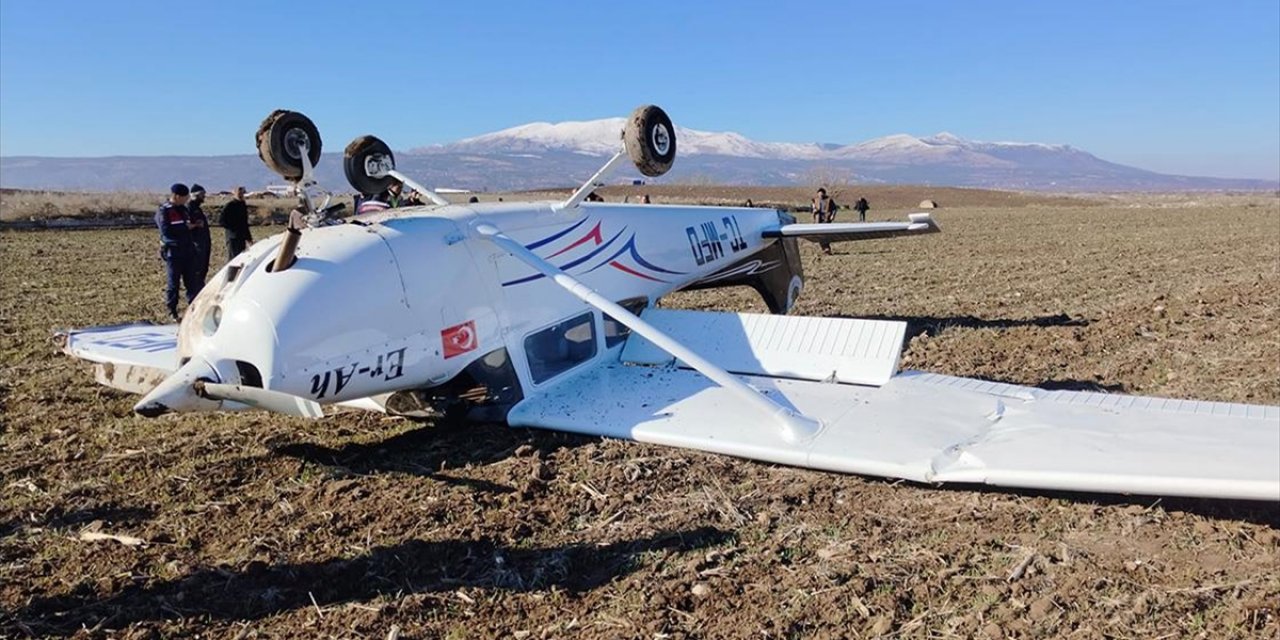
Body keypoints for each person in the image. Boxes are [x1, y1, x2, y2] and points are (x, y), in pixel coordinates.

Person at [154, 183, 201, 319]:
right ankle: (172, 311)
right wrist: (187, 228)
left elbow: (187, 226)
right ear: (176, 196)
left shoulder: (184, 210)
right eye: (185, 197)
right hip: (173, 252)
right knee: (173, 284)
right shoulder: (164, 211)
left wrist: (191, 227)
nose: (187, 200)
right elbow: (166, 231)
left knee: (192, 282)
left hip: (188, 250)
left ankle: (193, 310)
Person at [187, 183, 211, 287]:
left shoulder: (198, 208)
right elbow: (186, 225)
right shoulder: (189, 208)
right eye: (202, 194)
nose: (204, 197)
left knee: (204, 268)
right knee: (197, 269)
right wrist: (196, 225)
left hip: (204, 242)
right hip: (197, 244)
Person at [220, 186, 253, 260]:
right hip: (233, 238)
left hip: (241, 237)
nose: (241, 195)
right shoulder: (230, 206)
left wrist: (248, 238)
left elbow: (244, 223)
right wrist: (233, 228)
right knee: (233, 260)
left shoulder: (242, 205)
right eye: (239, 193)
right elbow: (222, 221)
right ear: (234, 193)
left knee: (241, 259)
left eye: (242, 193)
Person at [811, 187, 836, 254]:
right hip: (818, 219)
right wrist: (814, 211)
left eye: (821, 194)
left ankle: (827, 248)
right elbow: (813, 208)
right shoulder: (815, 200)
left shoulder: (829, 200)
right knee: (819, 235)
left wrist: (832, 215)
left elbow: (834, 209)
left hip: (826, 219)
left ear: (824, 194)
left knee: (826, 234)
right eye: (819, 194)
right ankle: (824, 248)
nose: (820, 195)